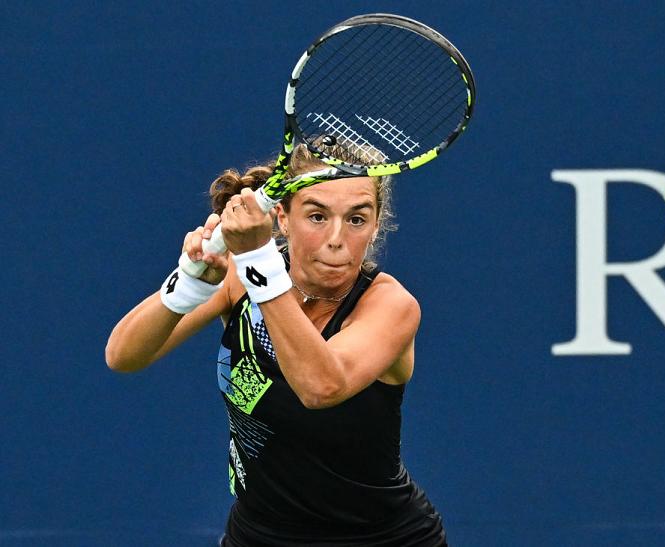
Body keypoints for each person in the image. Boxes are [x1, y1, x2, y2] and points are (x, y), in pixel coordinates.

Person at [105, 144, 448, 546]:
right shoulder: (240, 275)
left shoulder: (390, 306)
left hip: (382, 540)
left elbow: (321, 387)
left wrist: (258, 260)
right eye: (317, 216)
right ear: (282, 217)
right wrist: (189, 285)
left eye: (356, 219)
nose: (337, 239)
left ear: (375, 227)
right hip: (257, 536)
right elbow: (124, 355)